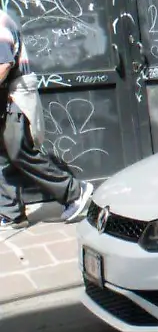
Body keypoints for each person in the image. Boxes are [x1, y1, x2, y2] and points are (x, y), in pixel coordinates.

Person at [0, 12, 94, 230]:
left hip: (13, 96)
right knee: (3, 155)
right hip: (5, 96)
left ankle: (75, 192)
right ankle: (11, 213)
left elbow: (3, 64)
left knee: (20, 152)